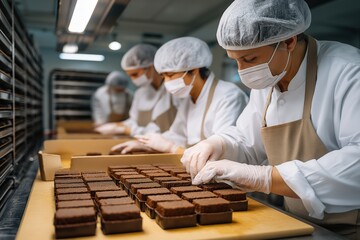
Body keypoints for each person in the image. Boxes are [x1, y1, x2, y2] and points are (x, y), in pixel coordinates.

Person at [181, 0, 360, 238]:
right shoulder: (270, 76)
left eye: (250, 59)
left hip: (349, 227)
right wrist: (219, 144)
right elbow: (248, 139)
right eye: (235, 60)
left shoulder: (347, 71)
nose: (242, 71)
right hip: (297, 221)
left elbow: (356, 162)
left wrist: (264, 177)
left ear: (288, 41)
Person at [111, 37, 248, 155]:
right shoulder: (188, 98)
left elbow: (223, 151)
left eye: (170, 75)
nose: (166, 82)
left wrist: (172, 148)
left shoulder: (228, 96)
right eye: (163, 76)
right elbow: (177, 134)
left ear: (194, 70)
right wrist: (146, 144)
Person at [95, 44, 177, 136]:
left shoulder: (173, 91)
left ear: (151, 66)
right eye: (130, 76)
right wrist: (117, 125)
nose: (133, 80)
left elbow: (171, 129)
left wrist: (126, 130)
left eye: (135, 74)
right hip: (143, 143)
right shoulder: (140, 93)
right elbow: (134, 120)